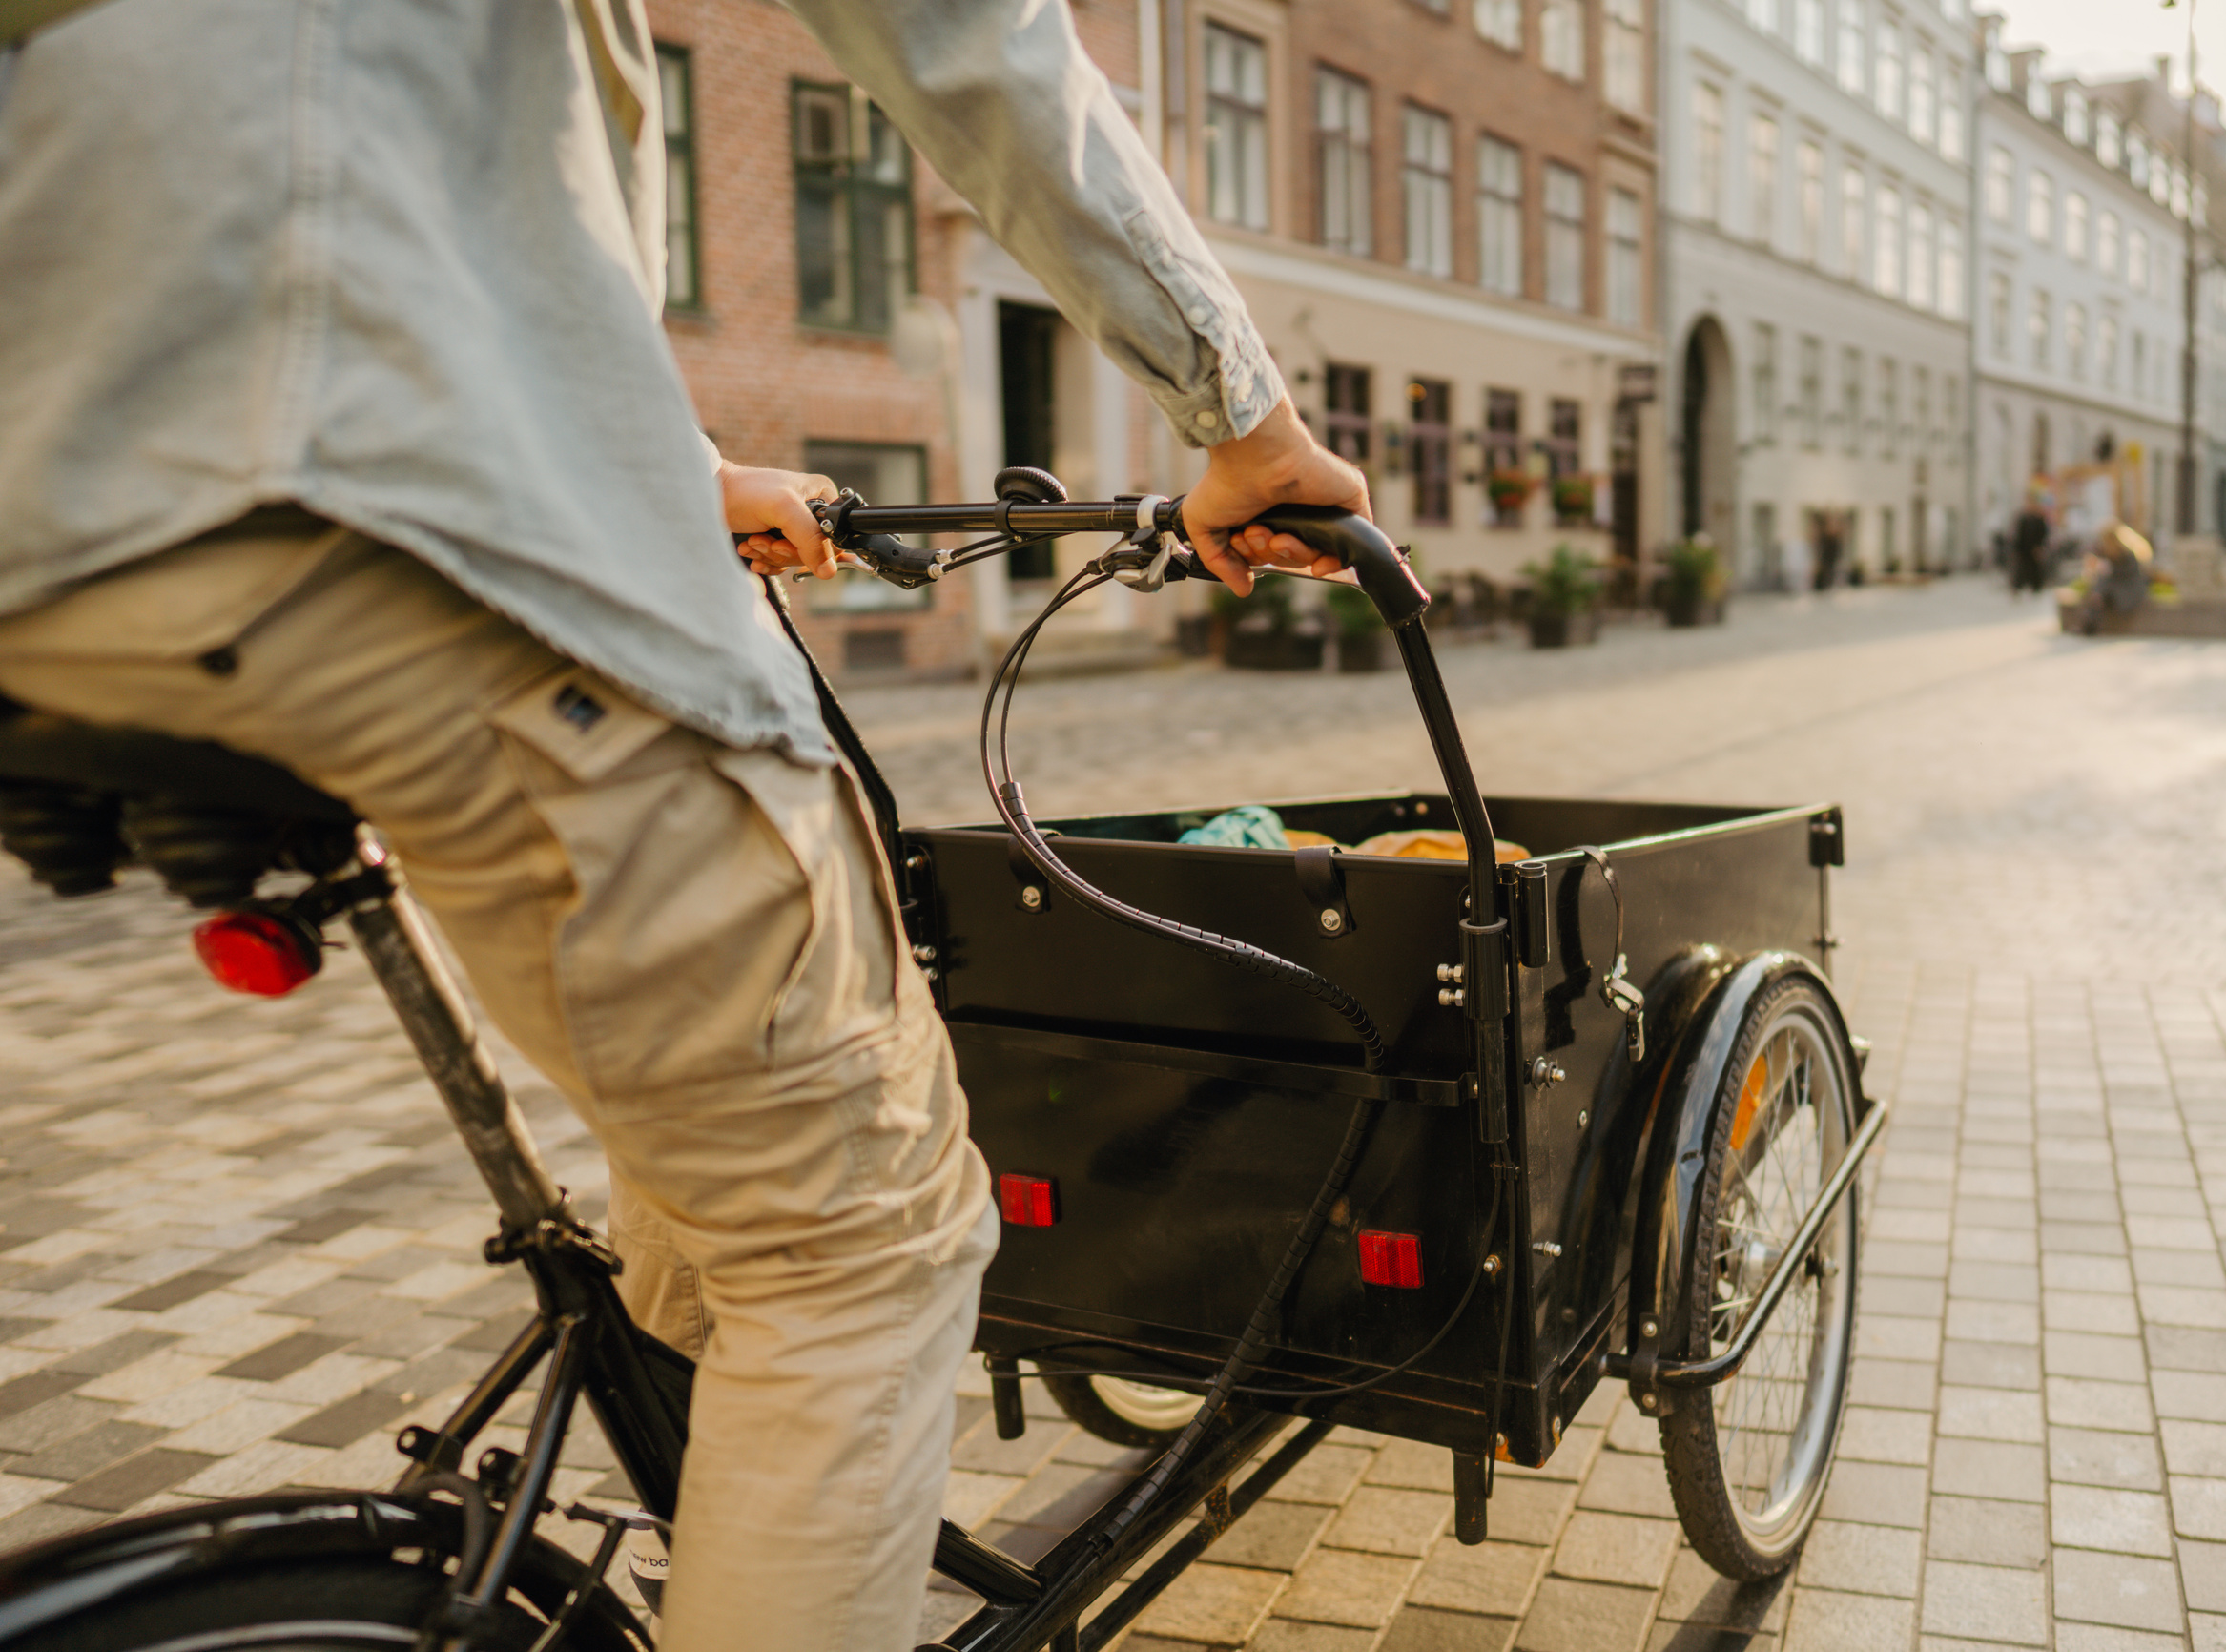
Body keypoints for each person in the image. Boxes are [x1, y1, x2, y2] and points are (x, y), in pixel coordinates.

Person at [0, 3, 1366, 1648]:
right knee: (855, 1252)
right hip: (363, 497)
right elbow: (960, 32)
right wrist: (1243, 418)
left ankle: (729, 1525)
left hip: (65, 526)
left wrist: (678, 467)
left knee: (730, 1149)